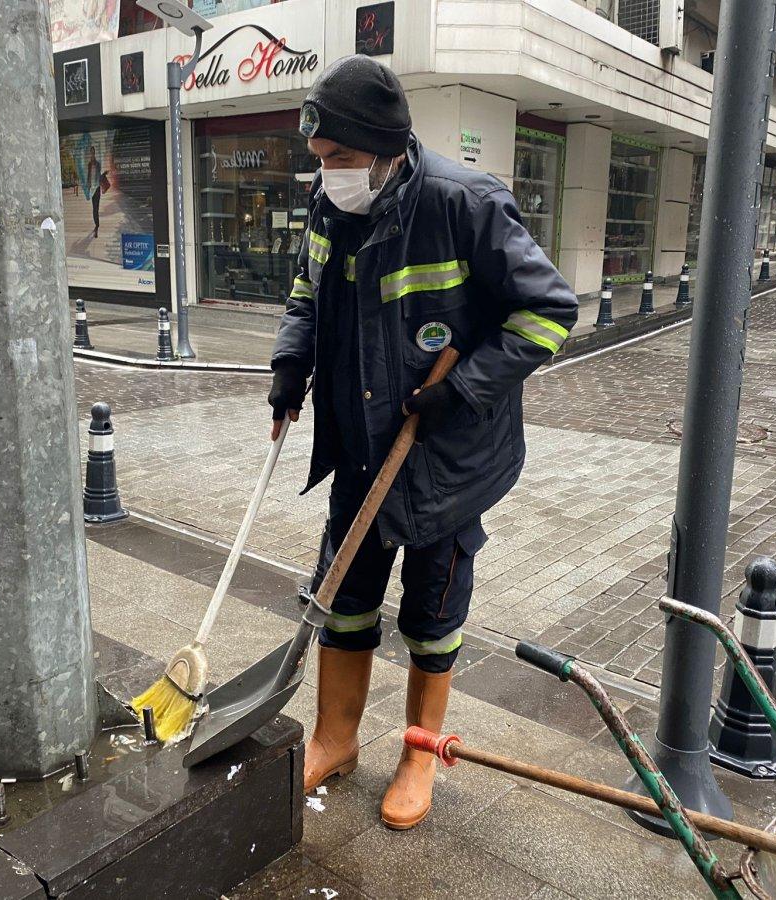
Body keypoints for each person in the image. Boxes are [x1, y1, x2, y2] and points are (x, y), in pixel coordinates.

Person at [269, 55, 579, 830]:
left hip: (447, 459)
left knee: (433, 615)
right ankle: (336, 738)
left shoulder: (465, 203)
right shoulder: (330, 205)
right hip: (360, 449)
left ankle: (418, 753)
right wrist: (288, 364)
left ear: (385, 150)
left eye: (339, 160)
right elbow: (306, 294)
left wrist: (464, 389)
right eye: (320, 160)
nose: (327, 173)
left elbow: (548, 313)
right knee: (343, 600)